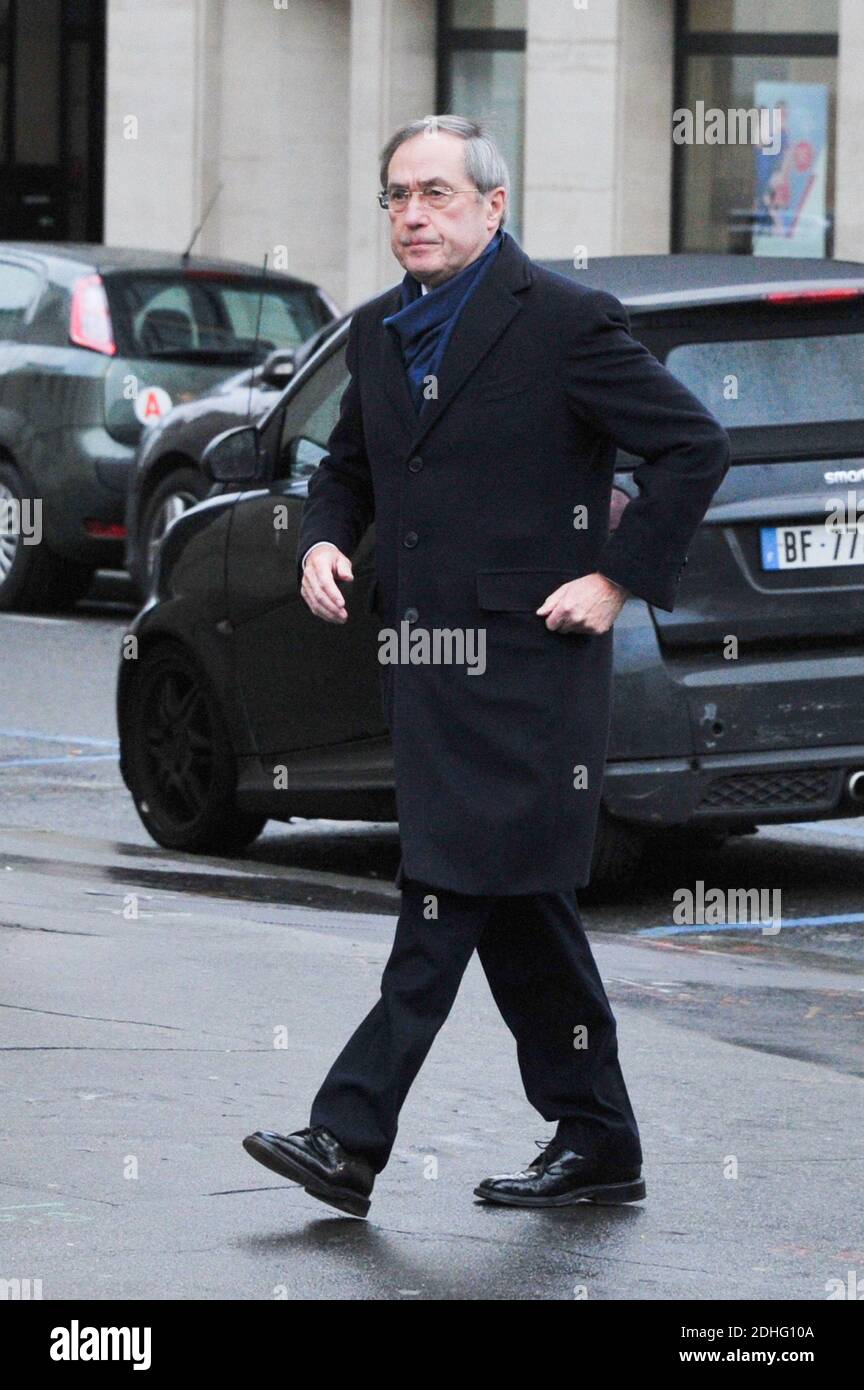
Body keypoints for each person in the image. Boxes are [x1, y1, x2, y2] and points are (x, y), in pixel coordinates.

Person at [243, 115, 731, 1219]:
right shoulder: (376, 332)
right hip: (425, 666)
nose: (413, 214)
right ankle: (599, 1136)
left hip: (530, 672)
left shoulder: (565, 322)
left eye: (437, 194)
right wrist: (326, 536)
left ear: (493, 205)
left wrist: (615, 579)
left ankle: (347, 1133)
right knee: (521, 914)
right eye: (397, 197)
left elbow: (694, 446)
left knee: (444, 895)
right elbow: (349, 469)